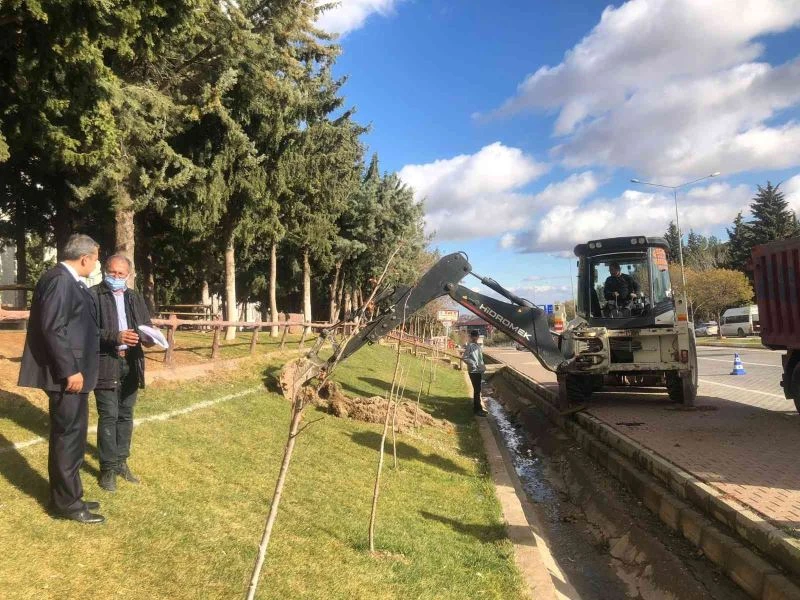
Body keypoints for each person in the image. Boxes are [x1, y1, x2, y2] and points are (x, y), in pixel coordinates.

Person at [18, 234, 103, 524]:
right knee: (67, 438)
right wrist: (70, 369)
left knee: (72, 436)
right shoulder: (59, 280)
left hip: (74, 374)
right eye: (95, 258)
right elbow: (53, 328)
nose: (96, 264)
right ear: (84, 258)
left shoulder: (66, 280)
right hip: (67, 376)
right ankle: (68, 504)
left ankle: (68, 494)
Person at [91, 254, 154, 492]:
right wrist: (115, 337)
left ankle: (120, 462)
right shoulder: (93, 296)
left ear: (128, 275)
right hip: (106, 363)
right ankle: (107, 469)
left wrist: (149, 339)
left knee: (126, 415)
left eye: (121, 274)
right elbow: (86, 332)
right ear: (105, 271)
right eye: (112, 273)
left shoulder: (135, 297)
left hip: (132, 363)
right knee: (108, 415)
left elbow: (146, 325)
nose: (116, 277)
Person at [461, 330, 487, 416]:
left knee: (478, 390)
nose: (477, 337)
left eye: (477, 336)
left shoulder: (477, 346)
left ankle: (479, 408)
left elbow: (480, 358)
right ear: (473, 337)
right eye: (476, 336)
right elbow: (464, 357)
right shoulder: (470, 346)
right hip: (473, 371)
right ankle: (477, 410)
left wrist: (482, 366)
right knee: (477, 391)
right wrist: (473, 364)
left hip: (478, 371)